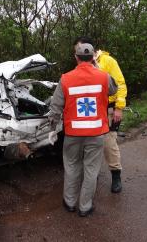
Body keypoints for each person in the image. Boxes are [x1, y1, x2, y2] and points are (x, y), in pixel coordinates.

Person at [49, 43, 117, 217]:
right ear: (94, 57)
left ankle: (70, 202)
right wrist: (98, 69)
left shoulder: (65, 78)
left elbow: (55, 107)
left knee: (72, 167)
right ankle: (85, 207)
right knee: (91, 170)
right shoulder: (103, 76)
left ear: (76, 57)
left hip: (73, 134)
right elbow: (114, 89)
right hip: (96, 134)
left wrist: (52, 129)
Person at [74, 36, 127, 193]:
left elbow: (120, 84)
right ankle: (92, 175)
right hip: (90, 109)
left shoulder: (108, 61)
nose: (77, 52)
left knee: (109, 143)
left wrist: (119, 107)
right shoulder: (81, 64)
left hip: (108, 109)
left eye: (79, 48)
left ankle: (116, 175)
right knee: (89, 144)